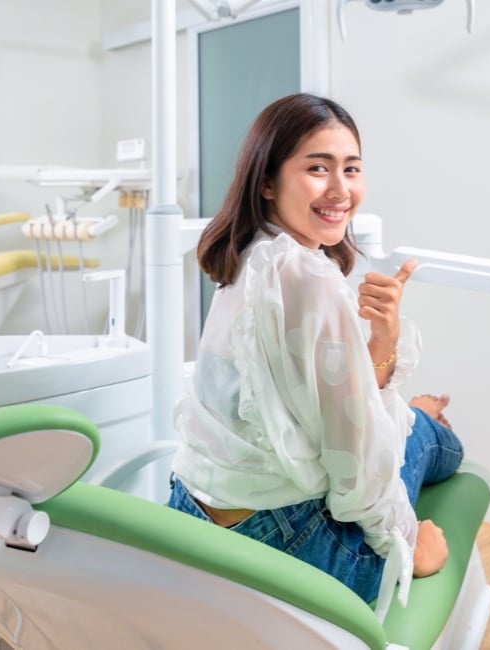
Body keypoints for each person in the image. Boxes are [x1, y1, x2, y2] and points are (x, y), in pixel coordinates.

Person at [168, 93, 464, 617]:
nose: (340, 190)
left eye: (351, 169)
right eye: (317, 168)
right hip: (280, 542)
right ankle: (426, 417)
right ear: (267, 180)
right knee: (440, 444)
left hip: (191, 512)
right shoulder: (306, 278)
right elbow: (360, 469)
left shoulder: (250, 256)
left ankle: (418, 413)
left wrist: (384, 336)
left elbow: (322, 402)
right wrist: (408, 545)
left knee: (398, 417)